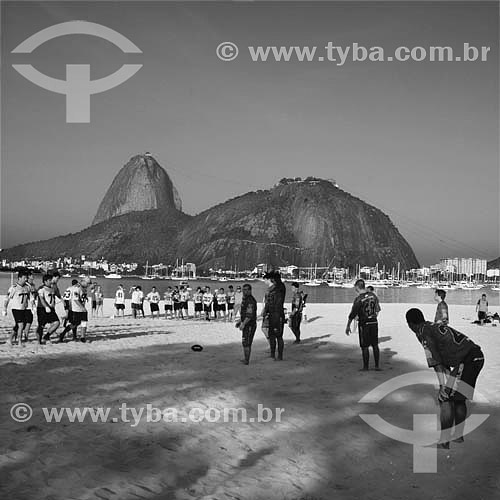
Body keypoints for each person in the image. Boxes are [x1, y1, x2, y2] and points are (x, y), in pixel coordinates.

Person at [406, 308, 485, 449]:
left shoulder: (423, 332)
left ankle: (444, 440)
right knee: (459, 398)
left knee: (445, 398)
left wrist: (443, 387)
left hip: (468, 360)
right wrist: (447, 383)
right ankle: (458, 436)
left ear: (410, 324)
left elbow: (436, 362)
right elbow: (443, 360)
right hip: (476, 356)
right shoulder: (431, 326)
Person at [345, 279, 381, 371]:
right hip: (374, 322)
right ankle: (377, 366)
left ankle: (366, 367)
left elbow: (353, 314)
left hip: (364, 323)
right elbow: (377, 309)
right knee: (375, 345)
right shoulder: (373, 296)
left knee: (364, 346)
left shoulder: (359, 299)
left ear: (357, 287)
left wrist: (348, 325)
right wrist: (373, 316)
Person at [262, 271, 286, 360]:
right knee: (274, 335)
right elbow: (269, 302)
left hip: (277, 314)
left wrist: (266, 311)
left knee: (277, 336)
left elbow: (272, 302)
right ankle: (275, 354)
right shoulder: (278, 288)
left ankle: (278, 355)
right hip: (275, 314)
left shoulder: (278, 288)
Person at [3, 269, 31, 346]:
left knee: (19, 325)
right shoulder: (13, 288)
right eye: (24, 278)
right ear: (19, 278)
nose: (26, 279)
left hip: (24, 308)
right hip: (16, 309)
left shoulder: (27, 287)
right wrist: (4, 308)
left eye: (26, 278)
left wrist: (33, 306)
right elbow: (7, 298)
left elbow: (30, 297)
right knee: (21, 325)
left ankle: (9, 339)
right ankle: (19, 342)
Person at [59, 277, 90, 342]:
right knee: (74, 324)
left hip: (81, 309)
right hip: (76, 309)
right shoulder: (77, 288)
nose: (88, 285)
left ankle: (82, 337)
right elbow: (75, 300)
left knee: (84, 322)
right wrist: (82, 308)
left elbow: (81, 297)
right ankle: (63, 334)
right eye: (88, 283)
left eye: (89, 283)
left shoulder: (83, 289)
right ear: (83, 282)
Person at [235, 284, 258, 365]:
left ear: (250, 290)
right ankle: (246, 359)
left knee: (246, 342)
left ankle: (246, 360)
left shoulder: (250, 300)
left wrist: (243, 324)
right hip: (246, 323)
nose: (245, 291)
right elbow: (244, 313)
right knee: (245, 342)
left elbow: (249, 315)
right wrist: (240, 321)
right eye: (244, 289)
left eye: (247, 289)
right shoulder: (245, 299)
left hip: (250, 325)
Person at [36, 273, 60, 343]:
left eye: (51, 280)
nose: (51, 281)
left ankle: (46, 336)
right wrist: (46, 307)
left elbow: (55, 296)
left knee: (57, 323)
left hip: (51, 309)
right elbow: (41, 299)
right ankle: (39, 341)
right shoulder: (41, 289)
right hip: (42, 309)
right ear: (45, 281)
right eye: (49, 280)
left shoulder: (52, 288)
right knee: (41, 326)